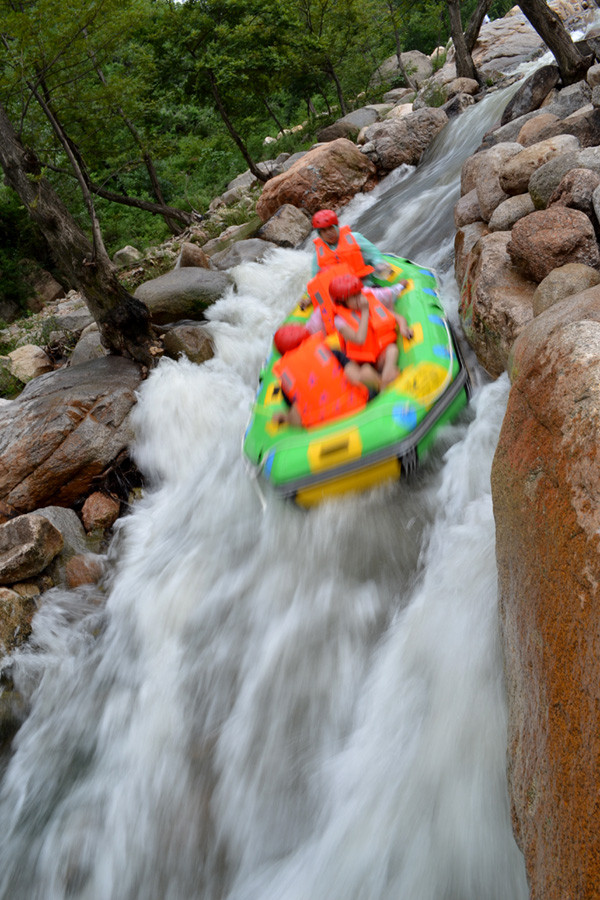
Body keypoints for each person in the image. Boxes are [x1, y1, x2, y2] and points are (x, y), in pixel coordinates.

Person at [271, 332, 381, 428]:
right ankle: (385, 387)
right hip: (354, 409)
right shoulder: (330, 353)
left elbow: (296, 415)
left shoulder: (286, 377)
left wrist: (286, 418)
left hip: (320, 426)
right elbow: (356, 377)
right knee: (366, 370)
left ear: (281, 354)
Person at [327, 273, 413, 388]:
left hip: (380, 355)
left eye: (359, 294)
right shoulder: (340, 320)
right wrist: (365, 312)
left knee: (392, 350)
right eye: (353, 297)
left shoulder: (370, 302)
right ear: (342, 302)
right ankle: (382, 385)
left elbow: (397, 317)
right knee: (365, 372)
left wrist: (403, 328)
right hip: (363, 361)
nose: (359, 298)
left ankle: (387, 376)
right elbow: (359, 339)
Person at [310, 209, 389, 283]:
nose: (328, 233)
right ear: (319, 234)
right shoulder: (318, 255)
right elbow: (316, 280)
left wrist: (378, 263)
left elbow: (374, 254)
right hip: (341, 294)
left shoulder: (355, 238)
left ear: (336, 227)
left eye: (331, 228)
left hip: (363, 284)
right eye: (323, 231)